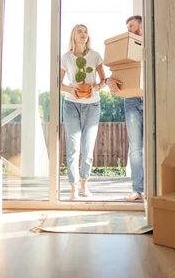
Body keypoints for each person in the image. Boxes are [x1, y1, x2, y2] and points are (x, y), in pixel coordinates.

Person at [60, 24, 107, 200]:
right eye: (79, 31)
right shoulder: (66, 57)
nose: (83, 34)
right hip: (71, 105)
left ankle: (84, 184)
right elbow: (59, 83)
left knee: (87, 148)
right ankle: (73, 188)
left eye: (85, 31)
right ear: (73, 35)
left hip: (93, 105)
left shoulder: (95, 56)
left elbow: (104, 81)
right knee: (73, 148)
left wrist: (95, 87)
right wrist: (72, 90)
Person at [105, 15, 144, 202]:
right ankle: (138, 190)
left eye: (132, 25)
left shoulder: (154, 45)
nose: (128, 29)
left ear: (142, 26)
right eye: (127, 26)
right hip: (131, 100)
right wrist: (108, 80)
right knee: (136, 148)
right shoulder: (124, 49)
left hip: (152, 99)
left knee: (157, 145)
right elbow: (112, 71)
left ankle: (158, 187)